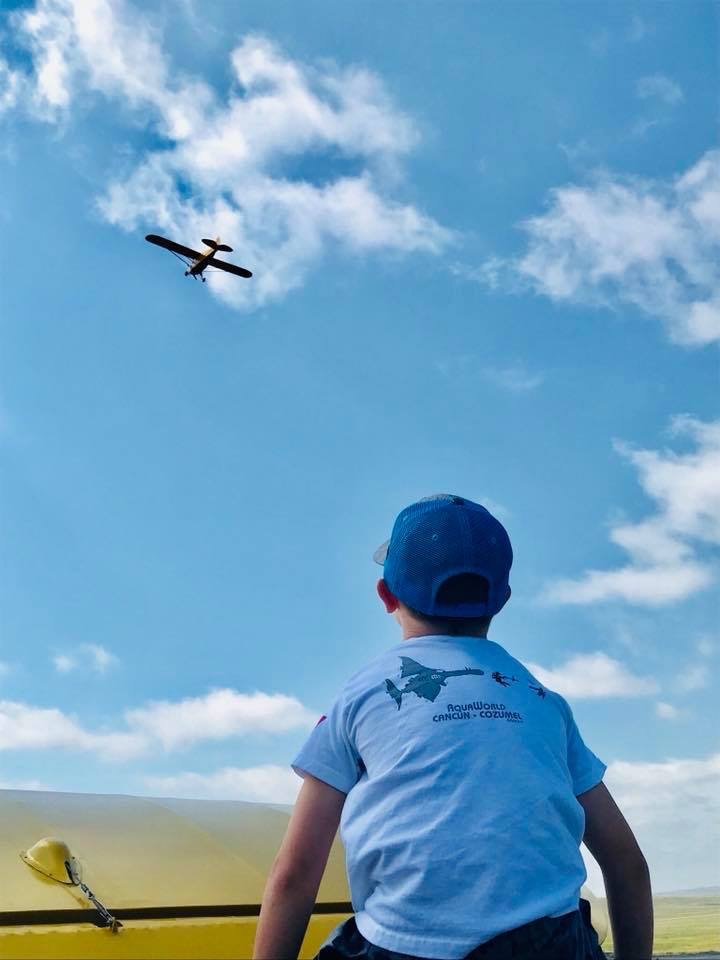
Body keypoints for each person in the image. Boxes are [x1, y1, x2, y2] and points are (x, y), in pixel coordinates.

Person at [253, 495, 653, 960]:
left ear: (386, 595)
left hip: (404, 949)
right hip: (553, 945)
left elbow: (295, 873)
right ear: (502, 599)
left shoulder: (359, 697)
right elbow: (627, 865)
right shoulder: (545, 702)